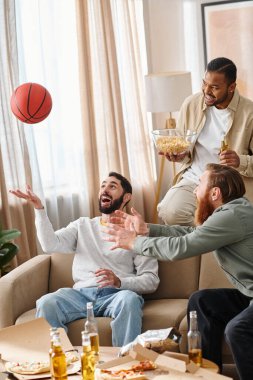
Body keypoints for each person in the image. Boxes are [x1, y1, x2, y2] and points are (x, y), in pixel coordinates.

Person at [104, 163, 253, 380]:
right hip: (249, 295)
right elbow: (191, 233)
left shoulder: (233, 216)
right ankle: (208, 375)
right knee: (202, 301)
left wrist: (135, 242)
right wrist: (148, 229)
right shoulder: (229, 213)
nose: (194, 191)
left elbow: (181, 247)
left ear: (215, 193)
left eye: (199, 184)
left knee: (237, 329)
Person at [9, 172, 159, 347]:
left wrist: (120, 282)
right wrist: (39, 209)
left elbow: (151, 280)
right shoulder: (82, 226)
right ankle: (62, 364)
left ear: (126, 197)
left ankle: (124, 363)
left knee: (130, 300)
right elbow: (50, 245)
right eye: (103, 186)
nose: (105, 190)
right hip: (80, 295)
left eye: (112, 186)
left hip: (117, 295)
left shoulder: (137, 232)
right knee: (46, 303)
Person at [157, 57, 253, 226]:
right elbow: (184, 147)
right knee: (169, 211)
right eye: (204, 83)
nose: (206, 91)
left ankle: (206, 240)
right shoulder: (191, 104)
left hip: (229, 187)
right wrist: (179, 155)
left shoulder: (249, 113)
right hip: (195, 177)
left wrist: (240, 160)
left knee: (226, 223)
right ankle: (207, 238)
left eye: (214, 87)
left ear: (231, 87)